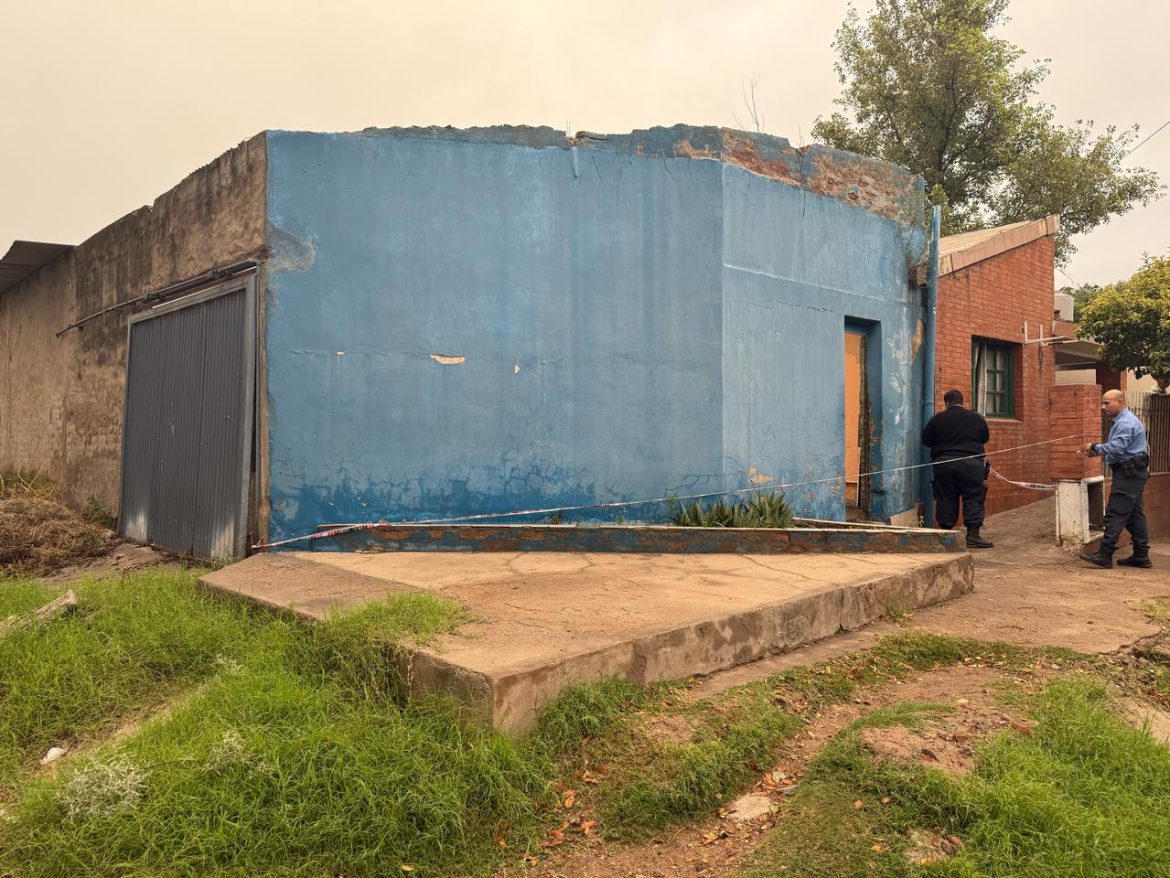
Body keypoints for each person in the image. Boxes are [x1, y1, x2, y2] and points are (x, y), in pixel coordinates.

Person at [1077, 390, 1151, 569]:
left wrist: (1094, 446)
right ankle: (1141, 556)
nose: (1103, 407)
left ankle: (1105, 553)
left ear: (1120, 402)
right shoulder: (1124, 420)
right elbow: (1122, 448)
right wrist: (1097, 451)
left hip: (1128, 474)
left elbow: (1118, 448)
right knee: (1135, 516)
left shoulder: (1125, 422)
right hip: (1133, 472)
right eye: (1102, 403)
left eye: (1107, 403)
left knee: (1115, 513)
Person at [921, 389, 993, 549]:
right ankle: (973, 535)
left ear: (946, 403)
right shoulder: (976, 418)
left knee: (945, 496)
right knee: (974, 496)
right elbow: (985, 437)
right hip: (971, 463)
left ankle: (947, 535)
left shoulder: (936, 419)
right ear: (962, 401)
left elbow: (925, 439)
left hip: (943, 463)